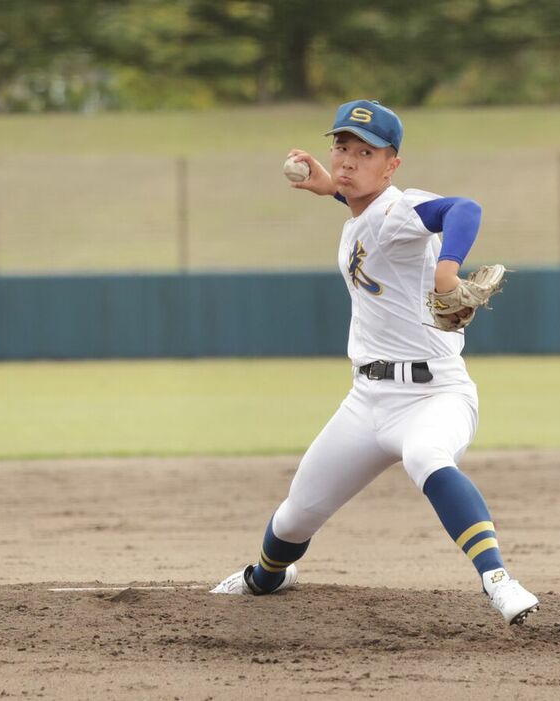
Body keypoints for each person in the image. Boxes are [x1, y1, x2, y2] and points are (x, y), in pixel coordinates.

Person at [210, 99, 539, 625]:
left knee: (427, 456)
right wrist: (330, 188)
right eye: (342, 147)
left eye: (366, 152)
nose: (348, 159)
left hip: (434, 393)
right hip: (367, 401)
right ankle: (265, 577)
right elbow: (364, 207)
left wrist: (447, 271)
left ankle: (498, 579)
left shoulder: (399, 208)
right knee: (297, 515)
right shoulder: (365, 210)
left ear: (392, 165)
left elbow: (464, 209)